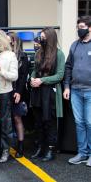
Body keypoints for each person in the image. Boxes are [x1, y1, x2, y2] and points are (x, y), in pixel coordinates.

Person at [30, 27, 65, 162]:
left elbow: (60, 75)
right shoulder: (38, 53)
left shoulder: (59, 54)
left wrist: (42, 80)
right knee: (38, 122)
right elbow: (34, 70)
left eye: (43, 37)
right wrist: (32, 78)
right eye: (40, 37)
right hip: (37, 92)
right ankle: (41, 147)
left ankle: (50, 149)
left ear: (50, 38)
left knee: (49, 121)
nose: (41, 39)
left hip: (50, 93)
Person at [63, 16, 91, 167]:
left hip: (90, 91)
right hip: (75, 91)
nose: (79, 30)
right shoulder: (74, 45)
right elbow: (68, 67)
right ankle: (82, 153)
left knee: (90, 123)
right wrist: (67, 87)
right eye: (78, 27)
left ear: (89, 28)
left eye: (82, 27)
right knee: (79, 123)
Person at [0, 29, 18, 163]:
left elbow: (14, 76)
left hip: (4, 92)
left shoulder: (10, 55)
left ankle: (6, 150)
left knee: (5, 122)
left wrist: (1, 72)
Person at [8, 32, 29, 158]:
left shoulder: (22, 56)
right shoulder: (2, 55)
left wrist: (19, 92)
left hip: (17, 91)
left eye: (8, 40)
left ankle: (20, 146)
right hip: (5, 90)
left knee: (17, 118)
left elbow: (23, 76)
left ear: (14, 41)